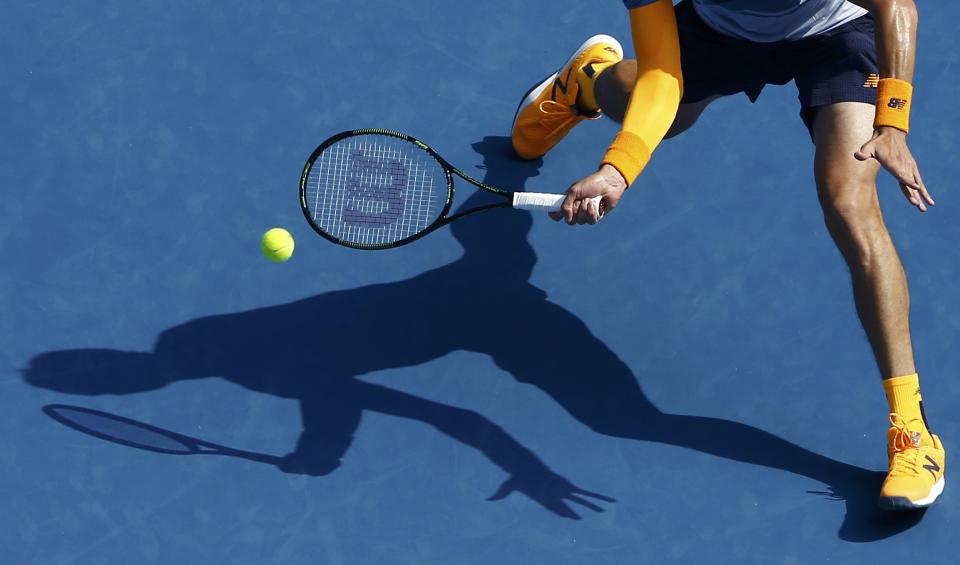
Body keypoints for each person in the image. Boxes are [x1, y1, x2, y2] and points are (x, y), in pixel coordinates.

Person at [510, 0, 944, 510]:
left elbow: (898, 6)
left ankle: (912, 429)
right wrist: (618, 168)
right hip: (719, 31)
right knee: (659, 115)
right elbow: (662, 77)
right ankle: (587, 80)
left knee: (849, 202)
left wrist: (893, 122)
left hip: (837, 33)